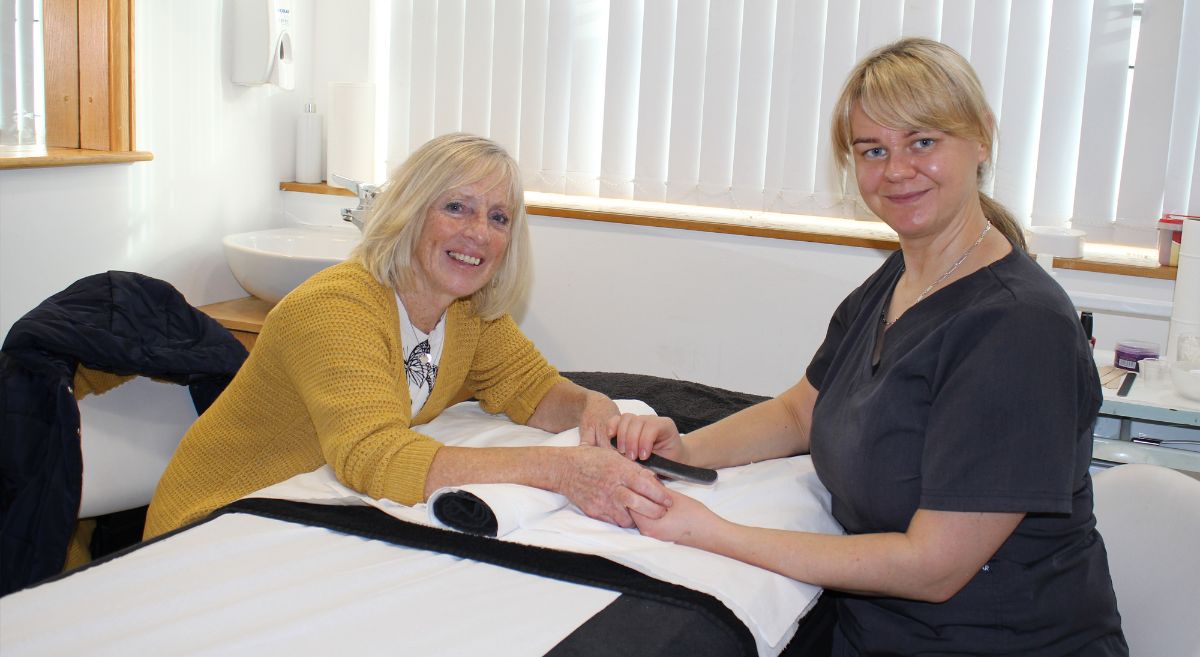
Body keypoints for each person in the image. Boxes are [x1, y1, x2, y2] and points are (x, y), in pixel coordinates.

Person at [612, 39, 1127, 656]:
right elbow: (800, 412)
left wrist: (711, 532)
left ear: (983, 139)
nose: (897, 170)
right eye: (873, 150)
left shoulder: (1019, 330)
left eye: (924, 142)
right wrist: (684, 451)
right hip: (873, 632)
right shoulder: (904, 276)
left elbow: (932, 569)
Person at [145, 133, 671, 538]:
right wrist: (561, 471)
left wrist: (594, 410)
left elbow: (532, 389)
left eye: (499, 217)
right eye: (457, 207)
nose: (479, 233)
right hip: (219, 520)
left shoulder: (466, 308)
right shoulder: (336, 309)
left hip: (311, 506)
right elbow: (374, 456)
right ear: (410, 211)